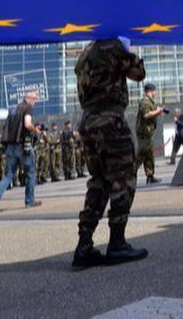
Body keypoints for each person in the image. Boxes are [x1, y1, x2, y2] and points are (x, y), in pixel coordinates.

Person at [71, 36, 151, 269]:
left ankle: (84, 245)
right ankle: (117, 243)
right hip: (110, 120)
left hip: (89, 122)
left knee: (99, 181)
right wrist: (128, 49)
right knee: (123, 177)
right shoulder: (112, 46)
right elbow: (139, 73)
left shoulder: (85, 52)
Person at [0, 90, 41, 214]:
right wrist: (35, 130)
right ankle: (29, 201)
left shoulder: (13, 110)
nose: (36, 102)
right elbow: (27, 124)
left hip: (10, 147)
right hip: (23, 146)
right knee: (30, 173)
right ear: (29, 98)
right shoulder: (27, 108)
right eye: (35, 99)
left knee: (8, 175)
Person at [134, 83, 164, 184]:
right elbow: (146, 115)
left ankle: (150, 176)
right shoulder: (145, 102)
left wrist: (158, 110)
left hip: (148, 133)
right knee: (142, 154)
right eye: (154, 91)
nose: (155, 92)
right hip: (143, 133)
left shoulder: (150, 102)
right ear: (150, 91)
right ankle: (129, 174)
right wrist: (158, 111)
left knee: (149, 154)